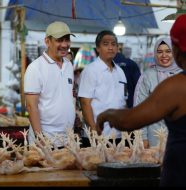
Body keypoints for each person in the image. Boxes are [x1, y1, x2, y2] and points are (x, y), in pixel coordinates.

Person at [96, 14, 186, 187]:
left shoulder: (176, 87)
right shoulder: (153, 78)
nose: (165, 54)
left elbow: (129, 120)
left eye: (169, 48)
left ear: (176, 48)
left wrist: (107, 114)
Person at [24, 21, 76, 148]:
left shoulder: (68, 65)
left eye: (67, 40)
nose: (64, 45)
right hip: (45, 139)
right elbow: (31, 106)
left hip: (66, 138)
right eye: (59, 40)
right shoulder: (35, 68)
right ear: (47, 41)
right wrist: (39, 136)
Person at [78, 30, 127, 144]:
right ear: (98, 48)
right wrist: (94, 131)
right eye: (106, 44)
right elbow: (85, 103)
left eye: (113, 44)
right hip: (97, 136)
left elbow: (123, 102)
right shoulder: (90, 70)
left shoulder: (120, 72)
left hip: (118, 135)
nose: (110, 47)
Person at [134, 37, 182, 148]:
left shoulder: (182, 75)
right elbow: (139, 108)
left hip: (180, 136)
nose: (164, 55)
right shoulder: (147, 76)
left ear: (174, 52)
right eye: (159, 52)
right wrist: (143, 138)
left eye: (168, 51)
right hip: (153, 136)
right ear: (155, 54)